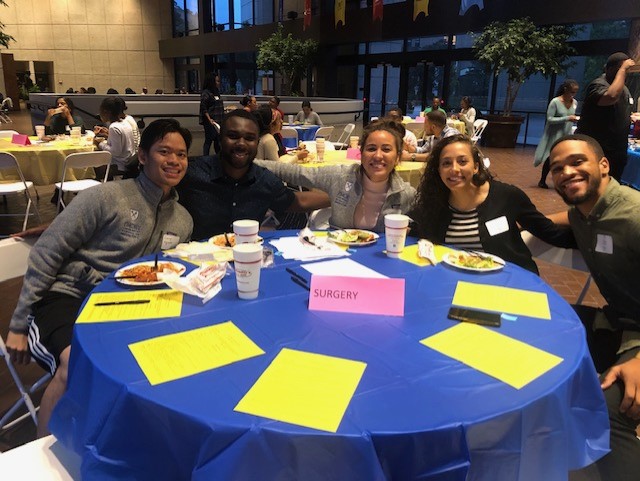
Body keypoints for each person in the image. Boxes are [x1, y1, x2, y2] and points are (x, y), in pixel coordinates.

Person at [4, 119, 194, 437]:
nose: (174, 161)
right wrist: (18, 325)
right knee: (76, 365)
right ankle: (41, 459)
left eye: (182, 154)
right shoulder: (106, 197)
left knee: (168, 357)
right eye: (164, 151)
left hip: (127, 305)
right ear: (143, 156)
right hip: (66, 297)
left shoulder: (183, 220)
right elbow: (45, 253)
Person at [548, 134, 640, 481]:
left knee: (609, 411)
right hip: (617, 322)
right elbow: (571, 217)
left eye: (576, 162)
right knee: (543, 321)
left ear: (604, 165)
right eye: (558, 169)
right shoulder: (586, 212)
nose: (567, 172)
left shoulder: (633, 217)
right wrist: (527, 221)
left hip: (636, 339)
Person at [410, 134, 574, 274]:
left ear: (475, 167)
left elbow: (550, 232)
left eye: (462, 161)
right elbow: (415, 229)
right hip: (455, 283)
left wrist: (590, 231)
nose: (454, 169)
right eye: (446, 163)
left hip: (510, 282)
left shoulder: (507, 196)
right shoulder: (434, 201)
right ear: (438, 170)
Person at [177, 109, 330, 239]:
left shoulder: (264, 180)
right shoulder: (192, 174)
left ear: (257, 143)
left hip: (247, 260)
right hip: (197, 263)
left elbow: (298, 201)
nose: (241, 143)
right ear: (220, 139)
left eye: (249, 138)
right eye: (233, 136)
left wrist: (341, 197)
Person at [254, 118, 416, 233]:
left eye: (386, 149)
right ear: (361, 153)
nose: (378, 156)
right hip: (337, 258)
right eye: (371, 148)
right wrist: (246, 163)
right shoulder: (341, 176)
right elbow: (294, 173)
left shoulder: (406, 195)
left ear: (397, 157)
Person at [575, 52, 636, 181]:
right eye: (621, 68)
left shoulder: (623, 89)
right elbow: (610, 97)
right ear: (609, 68)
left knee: (611, 187)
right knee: (594, 187)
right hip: (599, 149)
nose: (626, 73)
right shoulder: (598, 84)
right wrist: (623, 69)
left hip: (617, 150)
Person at [534, 79, 580, 189]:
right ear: (566, 90)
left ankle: (563, 180)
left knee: (565, 158)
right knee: (551, 157)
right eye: (571, 92)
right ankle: (542, 180)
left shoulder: (575, 103)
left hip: (566, 134)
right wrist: (567, 118)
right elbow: (549, 119)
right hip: (554, 134)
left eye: (575, 92)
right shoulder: (555, 102)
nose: (573, 95)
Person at [94, 97, 137, 175]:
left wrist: (99, 144)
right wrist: (108, 135)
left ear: (106, 112)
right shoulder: (125, 122)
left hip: (119, 165)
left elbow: (115, 152)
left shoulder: (114, 127)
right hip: (128, 161)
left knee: (93, 168)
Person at [199, 73, 224, 156]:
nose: (218, 83)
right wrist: (209, 119)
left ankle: (218, 158)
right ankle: (205, 158)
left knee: (218, 140)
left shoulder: (216, 92)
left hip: (219, 119)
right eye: (217, 81)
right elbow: (203, 107)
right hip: (211, 120)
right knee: (209, 140)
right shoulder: (206, 93)